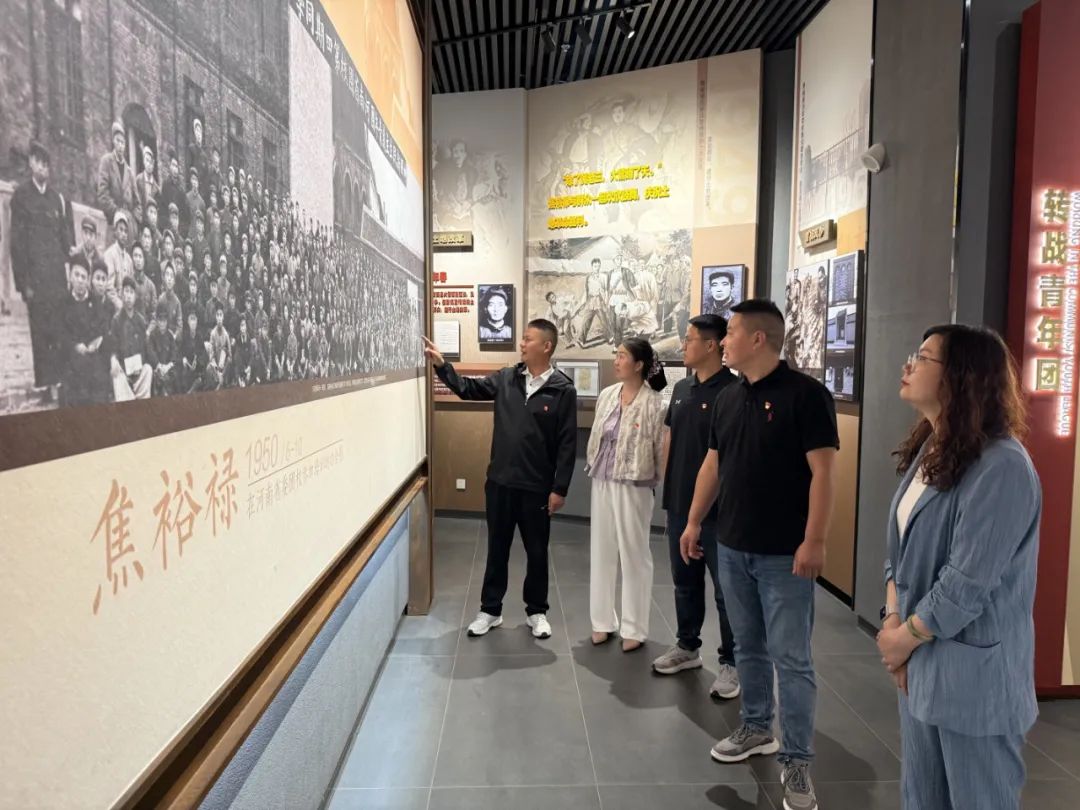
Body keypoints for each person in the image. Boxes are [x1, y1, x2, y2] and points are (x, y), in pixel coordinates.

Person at [681, 299, 837, 810]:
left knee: (792, 659)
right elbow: (713, 465)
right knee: (747, 646)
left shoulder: (806, 396)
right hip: (733, 546)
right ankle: (755, 727)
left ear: (758, 339)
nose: (723, 341)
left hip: (784, 556)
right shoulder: (728, 397)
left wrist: (815, 540)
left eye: (730, 333)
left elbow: (823, 473)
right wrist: (693, 521)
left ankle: (798, 762)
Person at [876, 326, 1039, 810]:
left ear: (962, 376)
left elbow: (966, 583)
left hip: (973, 678)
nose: (908, 365)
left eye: (923, 357)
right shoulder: (934, 446)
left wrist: (903, 640)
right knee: (922, 798)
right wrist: (893, 622)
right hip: (920, 658)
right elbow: (899, 553)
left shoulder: (1002, 466)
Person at [423, 320, 577, 639]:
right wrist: (442, 365)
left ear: (546, 346)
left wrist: (559, 488)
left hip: (536, 488)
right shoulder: (507, 378)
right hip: (500, 484)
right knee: (497, 550)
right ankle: (490, 610)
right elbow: (469, 389)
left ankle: (537, 611)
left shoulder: (562, 389)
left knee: (537, 552)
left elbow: (567, 443)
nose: (521, 344)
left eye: (528, 339)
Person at [651, 315, 740, 700]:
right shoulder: (681, 388)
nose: (682, 345)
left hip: (720, 512)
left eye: (688, 340)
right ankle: (687, 646)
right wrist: (666, 483)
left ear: (711, 345)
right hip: (679, 504)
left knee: (726, 591)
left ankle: (732, 661)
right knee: (684, 581)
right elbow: (671, 437)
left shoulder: (734, 391)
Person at [586, 338, 667, 652]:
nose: (616, 361)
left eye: (622, 356)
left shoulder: (655, 403)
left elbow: (659, 448)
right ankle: (602, 621)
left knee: (635, 555)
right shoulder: (608, 395)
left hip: (635, 483)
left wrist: (656, 479)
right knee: (602, 552)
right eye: (616, 355)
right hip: (602, 479)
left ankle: (634, 627)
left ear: (639, 364)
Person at [10, 140, 73, 399]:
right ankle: (46, 384)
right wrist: (24, 284)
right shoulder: (21, 197)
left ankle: (58, 383)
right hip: (35, 282)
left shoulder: (56, 199)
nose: (43, 167)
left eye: (47, 163)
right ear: (31, 163)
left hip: (56, 280)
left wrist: (73, 256)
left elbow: (65, 240)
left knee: (57, 329)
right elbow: (16, 244)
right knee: (40, 332)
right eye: (39, 162)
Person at [60, 255, 109, 406]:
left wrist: (95, 343)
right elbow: (61, 334)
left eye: (83, 277)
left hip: (93, 358)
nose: (80, 280)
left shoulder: (95, 302)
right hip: (72, 359)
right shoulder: (64, 303)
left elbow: (103, 329)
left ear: (88, 280)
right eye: (77, 275)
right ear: (70, 277)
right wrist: (75, 346)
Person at [110, 276, 153, 401]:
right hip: (124, 374)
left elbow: (145, 349)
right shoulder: (116, 320)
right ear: (122, 294)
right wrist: (114, 360)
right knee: (116, 373)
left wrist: (140, 366)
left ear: (135, 297)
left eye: (131, 292)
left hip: (138, 372)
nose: (128, 296)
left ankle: (137, 399)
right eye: (126, 291)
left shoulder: (140, 320)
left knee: (148, 369)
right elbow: (114, 349)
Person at [96, 121, 137, 229]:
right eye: (118, 141)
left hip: (128, 225)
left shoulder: (129, 171)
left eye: (123, 142)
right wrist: (116, 212)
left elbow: (137, 202)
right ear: (113, 141)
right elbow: (102, 194)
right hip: (113, 222)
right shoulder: (106, 162)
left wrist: (135, 220)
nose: (120, 145)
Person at [146, 303, 178, 396]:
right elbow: (151, 352)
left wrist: (168, 366)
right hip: (157, 369)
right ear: (157, 321)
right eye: (160, 320)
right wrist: (159, 365)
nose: (162, 323)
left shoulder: (170, 336)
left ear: (167, 322)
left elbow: (174, 353)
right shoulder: (152, 335)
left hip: (168, 368)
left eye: (164, 321)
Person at [103, 209, 135, 295]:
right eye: (121, 229)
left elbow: (131, 286)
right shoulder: (109, 255)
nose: (123, 234)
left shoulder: (129, 260)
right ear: (115, 231)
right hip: (113, 301)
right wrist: (119, 302)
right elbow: (109, 288)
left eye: (126, 231)